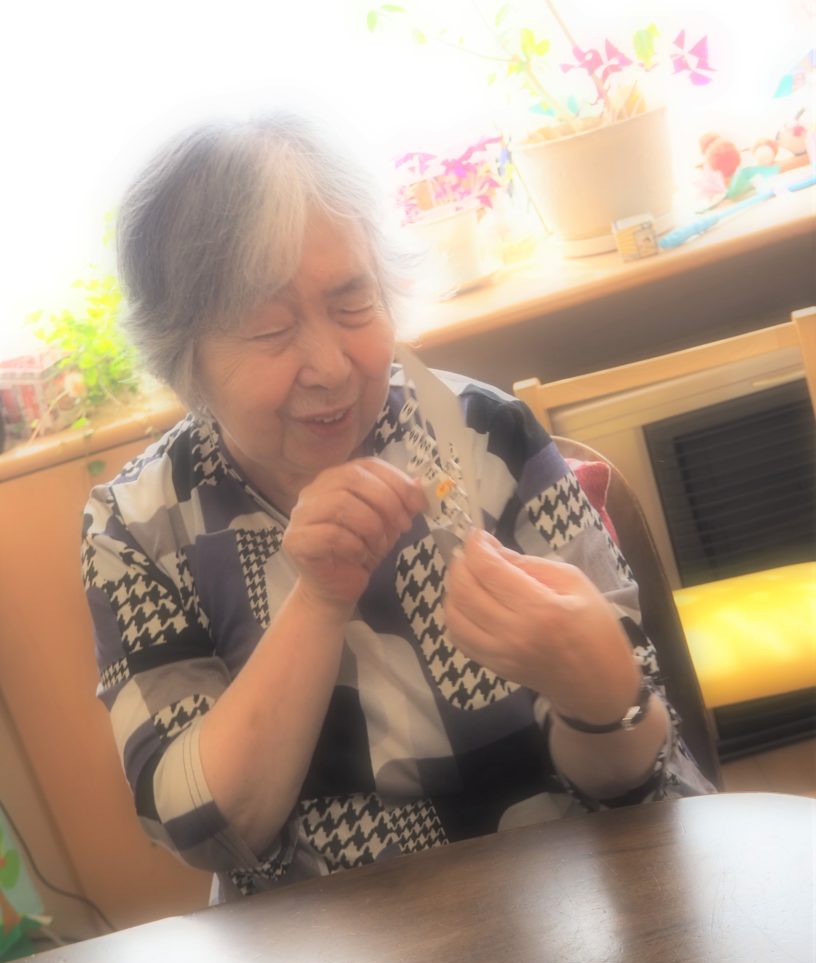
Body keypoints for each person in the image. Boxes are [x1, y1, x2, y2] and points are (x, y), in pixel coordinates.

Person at [81, 111, 714, 902]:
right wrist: (319, 599)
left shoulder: (483, 437)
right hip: (325, 937)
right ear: (184, 360)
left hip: (571, 887)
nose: (330, 366)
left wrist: (598, 694)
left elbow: (636, 773)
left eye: (353, 305)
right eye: (270, 330)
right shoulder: (137, 527)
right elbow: (206, 828)